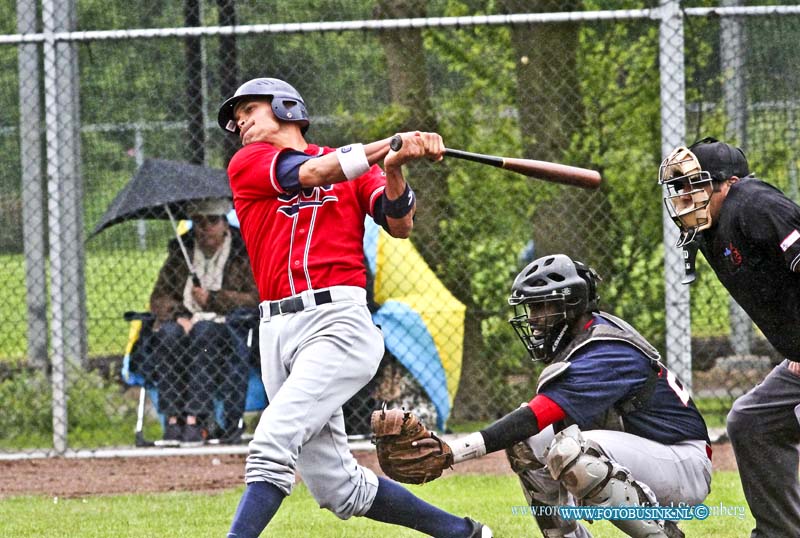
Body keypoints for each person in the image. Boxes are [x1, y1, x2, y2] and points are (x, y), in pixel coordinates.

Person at [216, 77, 491, 538]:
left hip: (337, 324)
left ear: (286, 108)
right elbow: (315, 173)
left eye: (250, 109)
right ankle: (464, 534)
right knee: (338, 488)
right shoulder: (249, 162)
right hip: (276, 331)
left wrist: (397, 166)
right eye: (236, 117)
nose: (239, 121)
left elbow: (399, 223)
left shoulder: (358, 167)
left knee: (271, 441)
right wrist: (393, 145)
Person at [389, 254, 711, 538]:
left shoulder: (605, 349)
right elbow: (532, 428)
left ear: (571, 304)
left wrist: (452, 452)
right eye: (531, 308)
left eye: (542, 307)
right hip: (648, 451)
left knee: (572, 453)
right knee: (526, 443)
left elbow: (537, 414)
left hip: (683, 462)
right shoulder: (584, 338)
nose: (532, 319)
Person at [659, 137, 800, 537]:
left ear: (729, 182)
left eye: (693, 184)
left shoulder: (754, 203)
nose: (684, 197)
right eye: (678, 188)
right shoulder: (710, 226)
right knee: (752, 421)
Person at [145, 197, 259, 445]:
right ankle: (174, 421)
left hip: (225, 325)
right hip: (184, 322)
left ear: (224, 223)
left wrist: (214, 299)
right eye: (198, 221)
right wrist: (179, 315)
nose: (205, 227)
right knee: (168, 334)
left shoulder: (244, 250)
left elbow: (255, 297)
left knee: (205, 332)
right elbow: (159, 296)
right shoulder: (181, 251)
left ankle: (196, 419)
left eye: (212, 220)